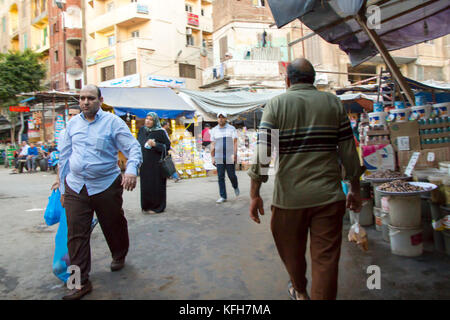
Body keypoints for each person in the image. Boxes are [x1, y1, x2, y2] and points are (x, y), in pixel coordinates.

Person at [247, 58, 363, 300]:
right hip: (329, 198)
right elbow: (349, 152)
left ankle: (299, 291)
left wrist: (254, 194)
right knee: (326, 261)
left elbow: (263, 153)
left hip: (289, 200)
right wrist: (355, 189)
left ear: (287, 80)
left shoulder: (276, 104)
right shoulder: (333, 102)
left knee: (292, 253)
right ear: (313, 80)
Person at [58, 85, 142, 300]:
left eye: (90, 98)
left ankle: (119, 254)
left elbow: (133, 148)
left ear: (100, 100)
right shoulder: (72, 124)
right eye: (82, 98)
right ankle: (79, 282)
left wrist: (131, 171)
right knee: (75, 235)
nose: (85, 102)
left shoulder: (113, 123)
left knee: (113, 224)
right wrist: (62, 188)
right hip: (76, 186)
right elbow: (65, 156)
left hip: (106, 184)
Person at [137, 112, 171, 214]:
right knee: (146, 185)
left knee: (156, 185)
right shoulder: (142, 130)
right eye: (147, 118)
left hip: (156, 165)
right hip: (144, 164)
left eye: (151, 119)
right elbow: (138, 143)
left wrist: (155, 144)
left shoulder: (160, 132)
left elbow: (167, 147)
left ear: (155, 121)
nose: (147, 121)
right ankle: (146, 206)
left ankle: (157, 207)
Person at [210, 112, 240, 203]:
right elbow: (212, 144)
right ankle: (223, 196)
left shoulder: (231, 129)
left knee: (231, 175)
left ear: (226, 119)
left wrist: (235, 154)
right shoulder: (214, 130)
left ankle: (235, 186)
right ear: (217, 119)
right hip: (219, 156)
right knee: (220, 177)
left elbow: (235, 142)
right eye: (219, 117)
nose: (221, 119)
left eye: (223, 117)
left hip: (229, 155)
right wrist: (212, 157)